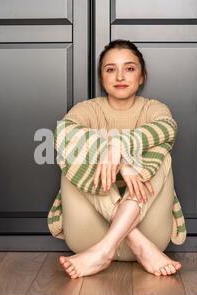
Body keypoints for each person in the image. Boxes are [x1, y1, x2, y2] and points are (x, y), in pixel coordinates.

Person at [57, 39, 183, 279]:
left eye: (130, 68)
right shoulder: (87, 109)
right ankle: (135, 243)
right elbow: (63, 133)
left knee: (161, 154)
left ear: (142, 76)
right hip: (90, 234)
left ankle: (105, 250)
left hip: (151, 226)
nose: (120, 76)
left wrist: (122, 149)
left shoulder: (154, 109)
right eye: (110, 69)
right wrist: (119, 162)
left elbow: (168, 129)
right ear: (102, 77)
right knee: (70, 150)